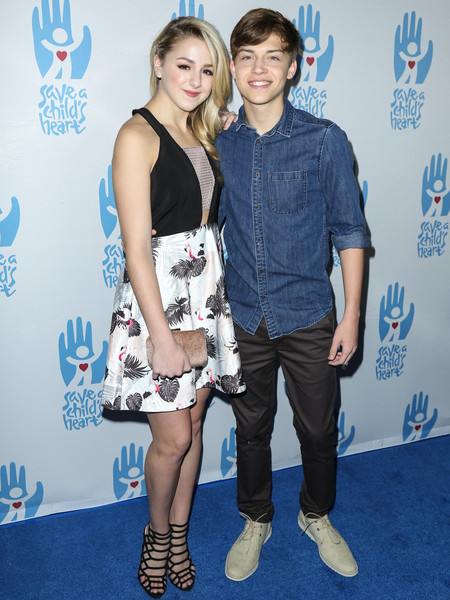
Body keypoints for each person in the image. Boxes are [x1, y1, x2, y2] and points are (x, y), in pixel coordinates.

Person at [216, 8, 370, 582]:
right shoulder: (217, 140)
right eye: (248, 57)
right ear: (233, 67)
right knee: (251, 430)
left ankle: (315, 514)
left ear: (293, 67)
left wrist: (351, 317)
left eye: (273, 56)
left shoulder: (324, 139)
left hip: (309, 315)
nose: (260, 68)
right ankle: (255, 518)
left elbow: (350, 231)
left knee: (319, 431)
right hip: (244, 315)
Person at [101, 17, 245, 598]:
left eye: (207, 70)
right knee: (173, 439)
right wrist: (160, 338)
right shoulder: (136, 137)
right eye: (184, 65)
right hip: (158, 299)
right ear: (158, 62)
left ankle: (180, 535)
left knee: (195, 423)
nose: (195, 80)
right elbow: (136, 249)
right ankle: (157, 534)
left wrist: (223, 123)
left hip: (205, 291)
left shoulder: (204, 129)